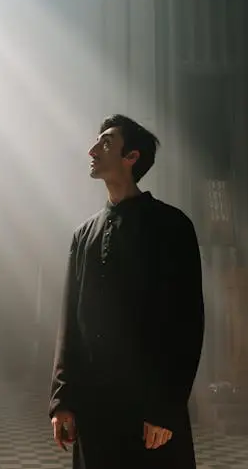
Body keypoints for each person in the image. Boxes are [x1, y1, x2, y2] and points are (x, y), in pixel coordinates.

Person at [49, 114, 205, 469]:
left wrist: (165, 408)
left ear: (131, 156)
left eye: (106, 143)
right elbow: (69, 323)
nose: (92, 150)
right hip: (95, 408)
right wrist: (63, 400)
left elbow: (187, 324)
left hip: (151, 411)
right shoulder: (83, 235)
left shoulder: (172, 226)